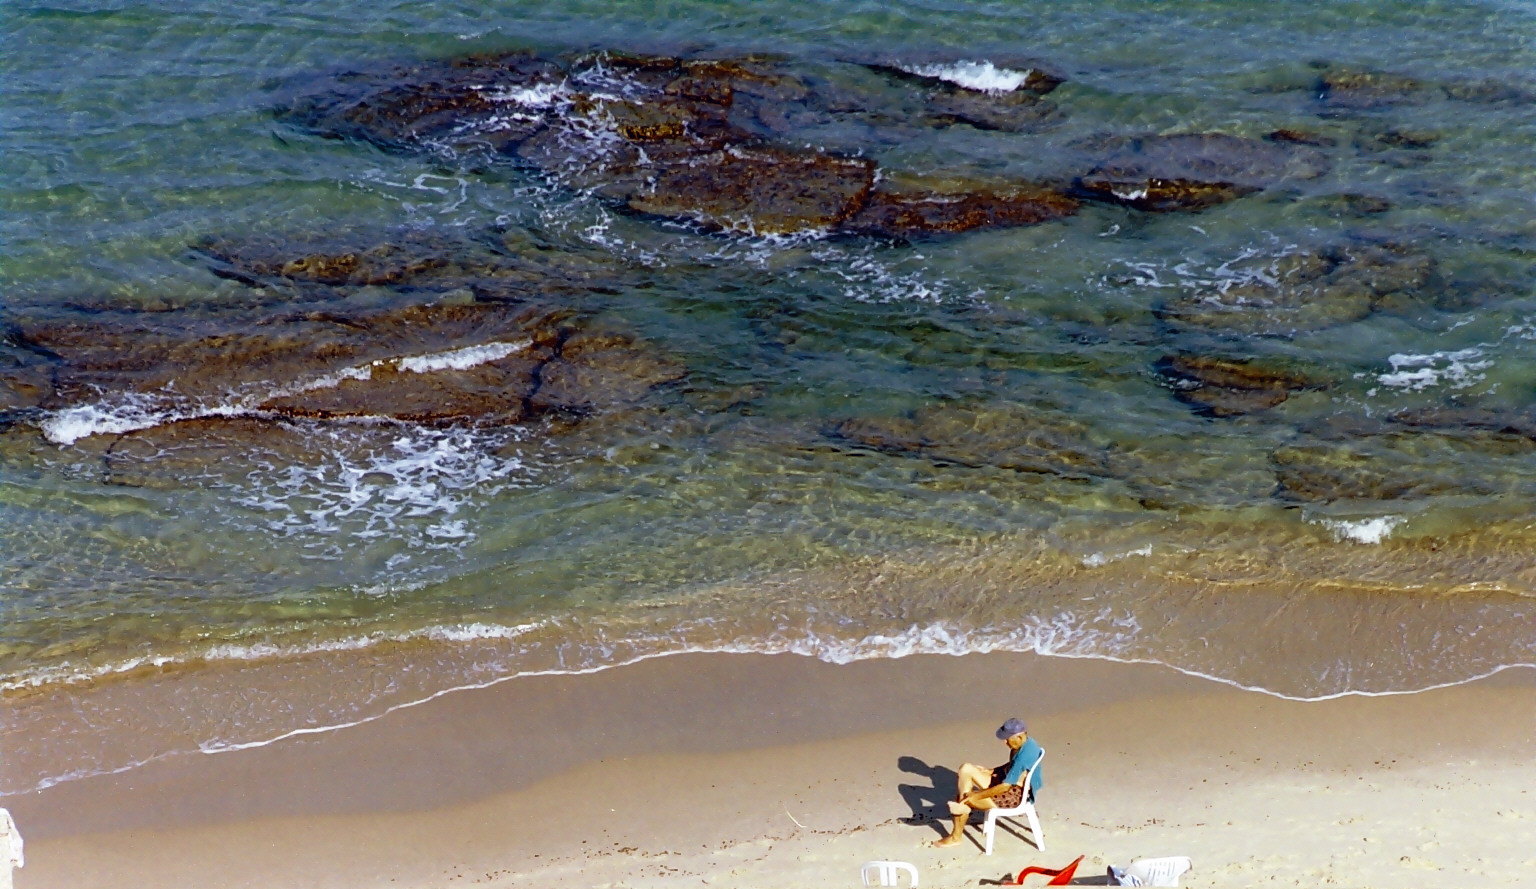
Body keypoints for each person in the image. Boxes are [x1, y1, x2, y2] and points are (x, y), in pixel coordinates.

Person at [930, 717, 1042, 848]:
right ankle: (962, 807)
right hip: (1005, 781)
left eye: (1007, 739)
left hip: (1014, 795)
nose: (1005, 742)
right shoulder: (1027, 743)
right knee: (966, 769)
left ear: (1019, 736)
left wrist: (976, 796)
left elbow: (1006, 786)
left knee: (965, 798)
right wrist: (991, 771)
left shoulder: (1024, 756)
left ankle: (956, 835)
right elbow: (1013, 767)